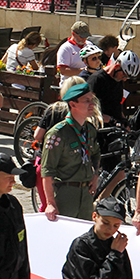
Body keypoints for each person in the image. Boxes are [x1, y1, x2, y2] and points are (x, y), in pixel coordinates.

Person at [41, 82, 101, 221]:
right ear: (73, 104)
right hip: (66, 194)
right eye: (87, 101)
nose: (92, 104)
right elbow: (47, 170)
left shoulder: (89, 129)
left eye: (92, 100)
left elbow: (96, 153)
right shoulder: (58, 133)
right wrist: (50, 203)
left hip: (85, 195)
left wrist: (95, 176)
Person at [88, 50, 140, 125]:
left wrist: (125, 122)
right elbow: (88, 107)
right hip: (100, 126)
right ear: (116, 67)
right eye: (124, 76)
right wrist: (109, 120)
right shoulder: (96, 79)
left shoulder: (118, 80)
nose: (124, 79)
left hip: (115, 126)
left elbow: (117, 106)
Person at [57, 21, 94, 85]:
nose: (84, 39)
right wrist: (84, 71)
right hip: (70, 85)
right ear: (73, 34)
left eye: (86, 36)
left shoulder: (89, 45)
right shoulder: (65, 48)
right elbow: (63, 70)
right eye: (81, 37)